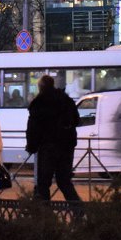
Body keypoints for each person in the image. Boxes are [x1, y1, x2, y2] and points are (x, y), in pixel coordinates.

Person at [25, 74, 81, 202]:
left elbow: (33, 128)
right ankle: (79, 211)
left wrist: (31, 146)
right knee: (64, 181)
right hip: (66, 147)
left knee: (43, 183)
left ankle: (45, 216)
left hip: (47, 147)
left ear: (40, 87)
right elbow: (76, 121)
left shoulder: (39, 103)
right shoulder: (66, 100)